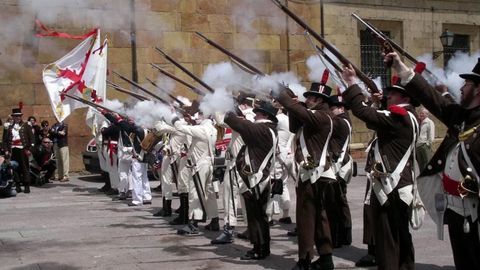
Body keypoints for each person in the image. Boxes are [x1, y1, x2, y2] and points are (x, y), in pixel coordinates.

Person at [385, 52, 480, 270]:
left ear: (478, 89)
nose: (462, 87)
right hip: (458, 211)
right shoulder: (464, 117)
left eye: (467, 83)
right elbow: (431, 98)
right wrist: (400, 67)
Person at [341, 65, 419, 270]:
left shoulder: (399, 116)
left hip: (390, 188)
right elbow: (374, 121)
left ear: (406, 98)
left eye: (393, 93)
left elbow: (362, 112)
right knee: (400, 236)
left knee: (387, 242)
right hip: (400, 186)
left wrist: (351, 82)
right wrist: (377, 101)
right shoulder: (408, 116)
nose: (389, 96)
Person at [274, 80, 336, 270]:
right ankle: (325, 258)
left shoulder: (322, 116)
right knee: (318, 217)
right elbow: (294, 127)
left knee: (306, 218)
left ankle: (304, 260)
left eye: (310, 98)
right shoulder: (315, 115)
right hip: (313, 172)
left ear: (319, 99)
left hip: (313, 173)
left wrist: (281, 92)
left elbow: (295, 110)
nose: (306, 100)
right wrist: (295, 105)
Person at [224, 100, 278, 260]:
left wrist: (227, 110)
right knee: (258, 216)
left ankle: (259, 249)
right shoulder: (267, 129)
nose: (255, 116)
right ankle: (262, 247)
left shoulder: (263, 129)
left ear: (265, 115)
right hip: (258, 178)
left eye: (258, 113)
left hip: (256, 179)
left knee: (256, 217)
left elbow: (239, 124)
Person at [212, 93, 255, 245]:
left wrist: (218, 105)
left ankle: (229, 229)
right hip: (247, 164)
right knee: (246, 199)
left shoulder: (242, 120)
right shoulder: (253, 118)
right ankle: (252, 228)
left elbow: (220, 121)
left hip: (235, 164)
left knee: (230, 197)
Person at [173, 111, 218, 235]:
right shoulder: (213, 129)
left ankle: (193, 223)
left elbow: (179, 127)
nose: (196, 116)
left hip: (199, 165)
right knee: (210, 194)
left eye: (200, 115)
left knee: (195, 193)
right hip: (209, 163)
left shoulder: (201, 129)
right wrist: (193, 122)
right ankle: (215, 220)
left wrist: (172, 115)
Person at [104, 112, 152, 206]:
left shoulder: (137, 128)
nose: (130, 119)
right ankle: (147, 197)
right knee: (144, 177)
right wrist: (109, 115)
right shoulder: (146, 129)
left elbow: (123, 125)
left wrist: (118, 118)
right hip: (143, 156)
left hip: (137, 155)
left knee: (137, 178)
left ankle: (137, 200)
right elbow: (121, 124)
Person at [327, 94, 354, 248]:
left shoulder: (340, 122)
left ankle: (336, 237)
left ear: (341, 108)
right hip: (342, 165)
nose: (330, 111)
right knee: (340, 202)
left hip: (338, 166)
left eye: (332, 108)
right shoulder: (343, 119)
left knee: (335, 204)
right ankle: (345, 235)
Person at [2, 108, 34, 193]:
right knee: (14, 168)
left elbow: (32, 139)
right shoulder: (8, 127)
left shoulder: (26, 125)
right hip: (12, 149)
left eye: (19, 116)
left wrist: (29, 149)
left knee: (25, 167)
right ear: (13, 117)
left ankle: (27, 185)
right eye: (16, 116)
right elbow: (4, 140)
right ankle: (17, 185)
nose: (18, 118)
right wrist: (6, 150)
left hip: (23, 149)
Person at [416, 107, 435, 171]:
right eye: (421, 113)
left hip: (424, 145)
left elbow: (431, 135)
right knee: (420, 164)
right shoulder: (419, 122)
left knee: (427, 163)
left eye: (423, 113)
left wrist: (428, 144)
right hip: (418, 146)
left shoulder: (429, 122)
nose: (421, 114)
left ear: (427, 114)